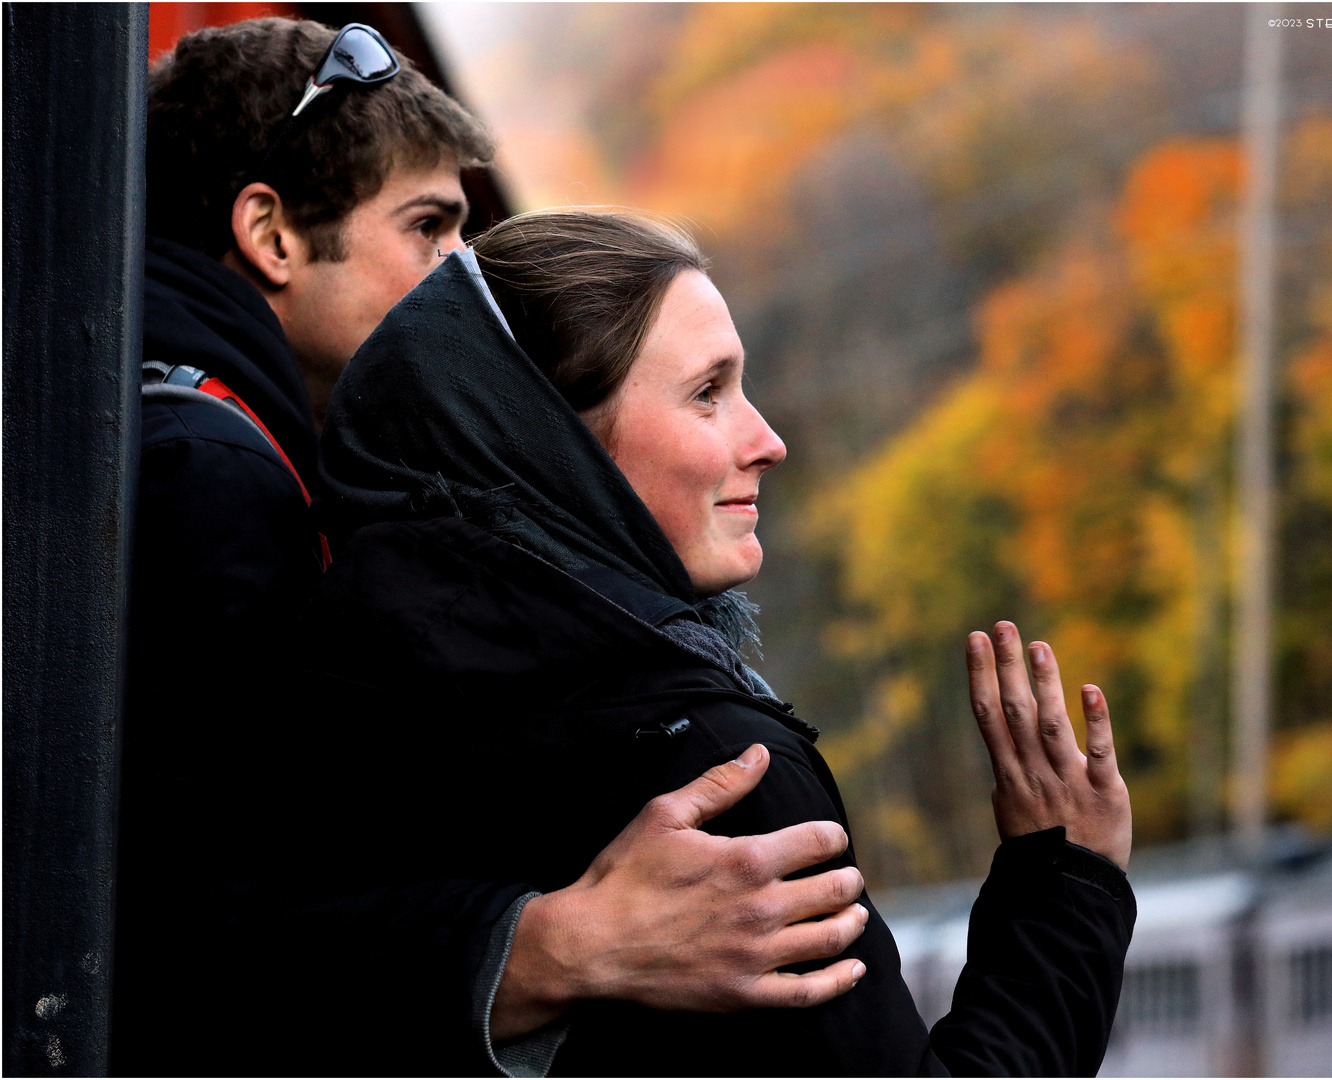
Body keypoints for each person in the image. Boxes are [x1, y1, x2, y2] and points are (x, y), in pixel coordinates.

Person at [117, 19, 869, 1075]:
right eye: (429, 227)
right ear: (272, 236)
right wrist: (555, 948)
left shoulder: (178, 428)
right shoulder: (210, 472)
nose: (457, 273)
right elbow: (197, 933)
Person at [268, 208, 1136, 1075]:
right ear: (553, 444)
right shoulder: (720, 786)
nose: (768, 441)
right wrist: (1069, 888)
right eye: (707, 393)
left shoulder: (314, 708)